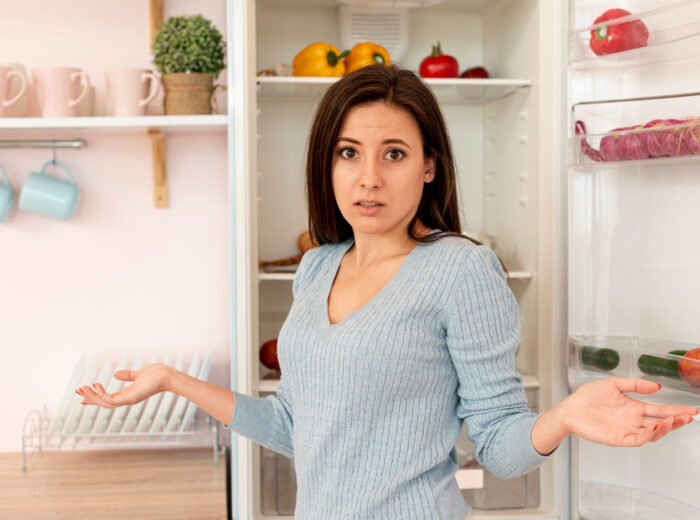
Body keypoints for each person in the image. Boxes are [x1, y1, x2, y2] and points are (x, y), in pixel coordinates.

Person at [76, 64, 697, 520]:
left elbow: (500, 445)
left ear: (429, 165)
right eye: (349, 153)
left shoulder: (462, 269)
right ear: (329, 163)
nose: (368, 178)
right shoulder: (317, 267)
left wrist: (561, 417)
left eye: (393, 154)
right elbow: (295, 427)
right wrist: (170, 380)